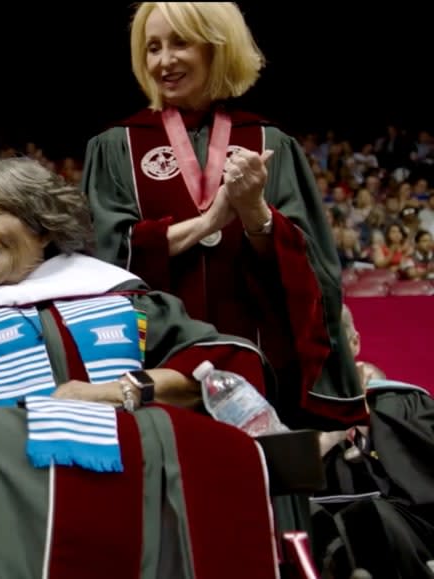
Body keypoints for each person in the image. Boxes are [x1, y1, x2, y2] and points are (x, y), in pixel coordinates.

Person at [0, 157, 289, 578]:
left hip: (129, 488)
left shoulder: (122, 300)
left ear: (41, 225)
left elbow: (228, 365)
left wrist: (117, 391)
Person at [81, 2, 365, 431]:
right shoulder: (114, 148)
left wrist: (255, 215)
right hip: (155, 364)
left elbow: (314, 269)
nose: (163, 60)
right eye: (152, 47)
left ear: (217, 47)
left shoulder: (271, 143)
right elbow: (101, 258)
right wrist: (207, 224)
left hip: (262, 367)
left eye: (179, 43)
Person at [311, 305, 434, 578]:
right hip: (322, 534)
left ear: (354, 342)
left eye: (328, 343)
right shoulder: (285, 414)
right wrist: (336, 429)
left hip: (399, 530)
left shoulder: (404, 403)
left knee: (370, 516)